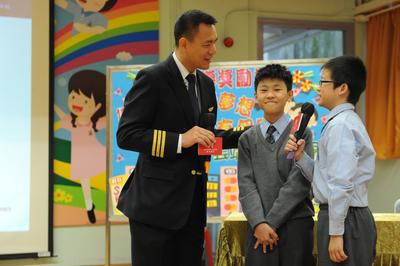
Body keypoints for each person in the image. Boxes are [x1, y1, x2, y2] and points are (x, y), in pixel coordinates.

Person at [116, 10, 247, 266]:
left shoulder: (206, 85)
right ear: (184, 43)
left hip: (193, 208)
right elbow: (127, 135)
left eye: (215, 42)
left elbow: (204, 141)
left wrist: (248, 137)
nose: (214, 50)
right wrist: (179, 140)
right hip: (154, 209)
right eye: (207, 44)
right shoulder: (153, 78)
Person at [285, 55, 377, 265]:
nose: (318, 88)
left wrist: (336, 233)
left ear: (342, 88)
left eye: (323, 82)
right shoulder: (341, 122)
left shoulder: (341, 126)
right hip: (343, 217)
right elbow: (326, 178)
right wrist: (300, 157)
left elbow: (341, 183)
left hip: (346, 220)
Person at [238, 64, 315, 266]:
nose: (270, 95)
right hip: (258, 227)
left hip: (296, 225)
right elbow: (246, 186)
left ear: (289, 94)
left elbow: (298, 184)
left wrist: (270, 222)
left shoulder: (302, 132)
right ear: (255, 95)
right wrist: (259, 223)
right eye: (264, 90)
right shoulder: (247, 138)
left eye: (277, 89)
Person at [54, 69, 106, 224]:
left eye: (85, 101)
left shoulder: (96, 123)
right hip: (80, 158)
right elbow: (61, 114)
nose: (76, 102)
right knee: (84, 182)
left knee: (107, 174)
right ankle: (89, 207)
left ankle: (113, 202)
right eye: (74, 96)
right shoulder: (72, 122)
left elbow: (111, 116)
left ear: (97, 107)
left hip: (96, 154)